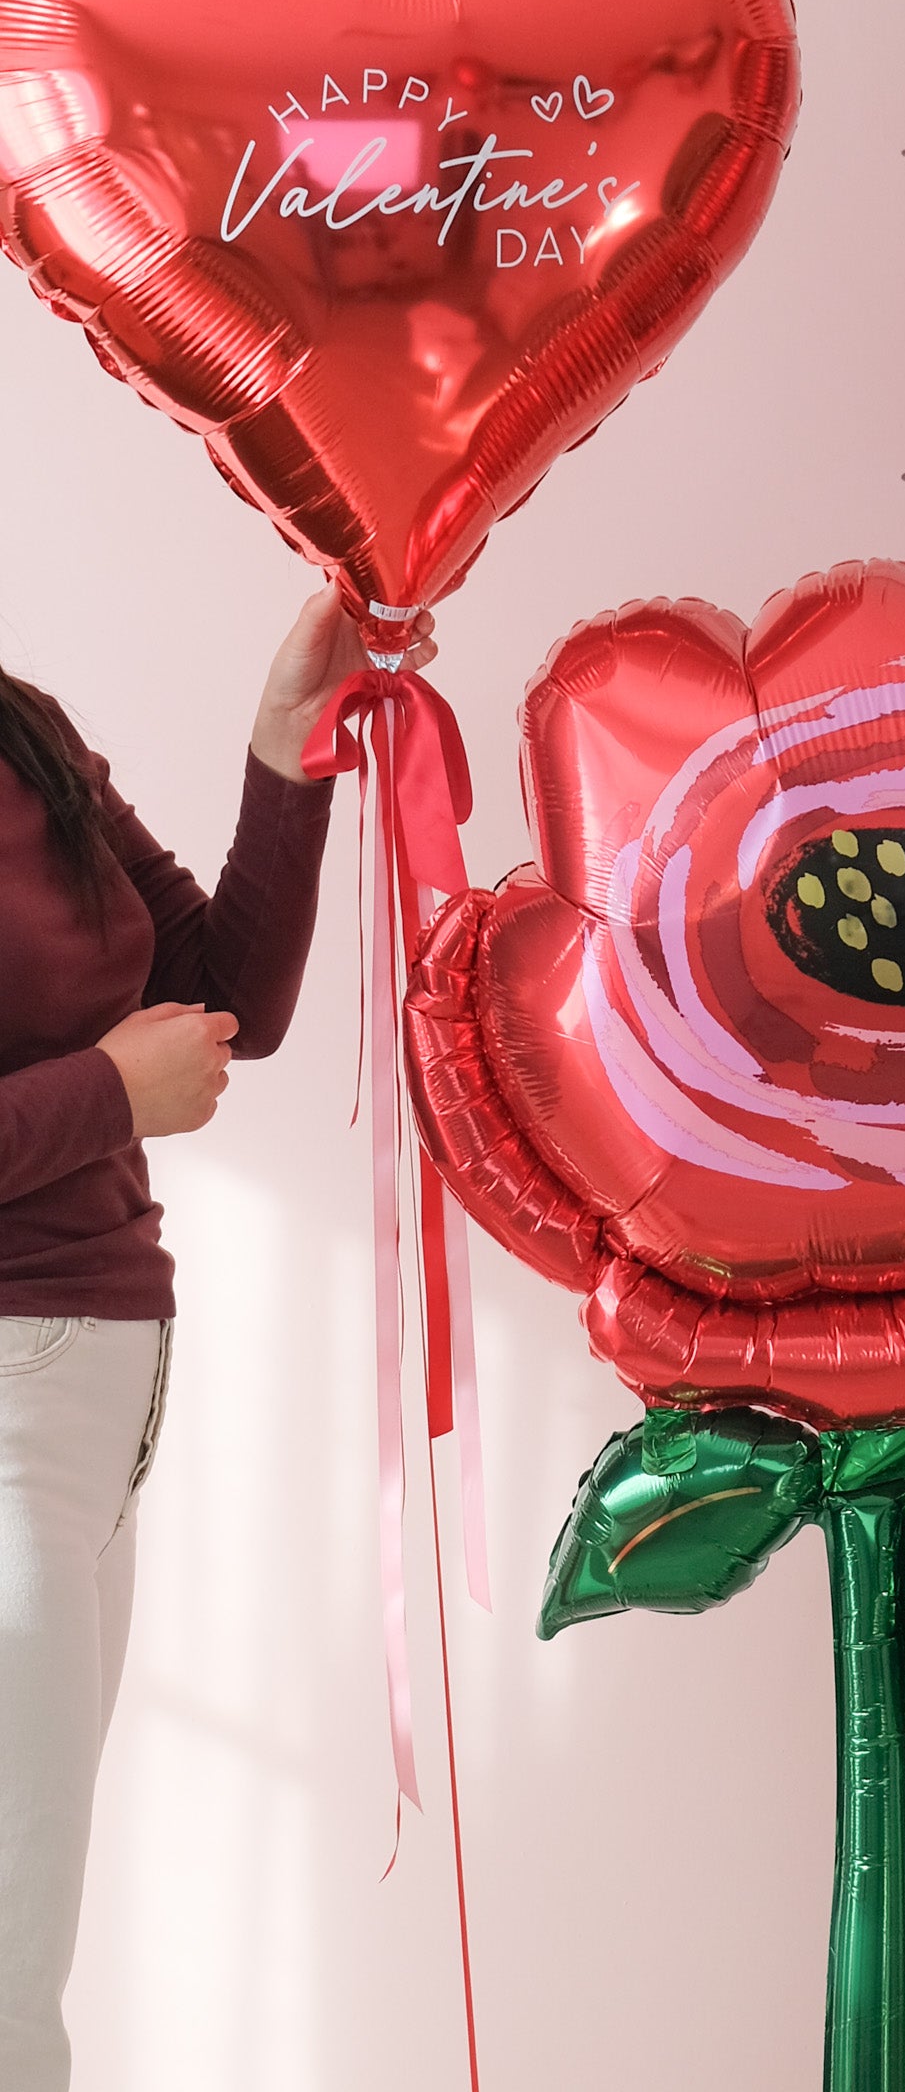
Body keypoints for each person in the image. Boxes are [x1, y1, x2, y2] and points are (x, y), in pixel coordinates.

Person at [0, 589, 434, 2092]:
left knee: (22, 1943)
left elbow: (223, 999)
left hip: (92, 1411)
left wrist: (284, 743)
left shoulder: (22, 729)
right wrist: (110, 1096)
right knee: (8, 1980)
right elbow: (141, 1067)